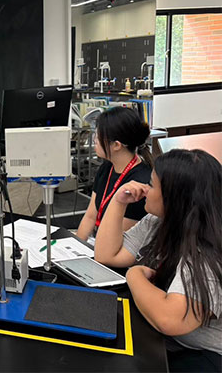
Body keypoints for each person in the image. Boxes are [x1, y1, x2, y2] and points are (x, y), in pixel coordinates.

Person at [94, 149, 222, 371]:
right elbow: (107, 255)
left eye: (152, 184)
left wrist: (135, 274)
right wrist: (118, 202)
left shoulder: (208, 251)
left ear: (175, 197)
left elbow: (169, 319)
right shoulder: (157, 221)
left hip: (204, 354)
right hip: (169, 339)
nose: (145, 188)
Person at [76, 106, 153, 242]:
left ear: (117, 145)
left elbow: (120, 238)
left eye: (98, 137)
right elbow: (90, 216)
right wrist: (75, 248)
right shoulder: (107, 167)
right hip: (98, 242)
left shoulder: (140, 184)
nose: (94, 140)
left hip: (116, 250)